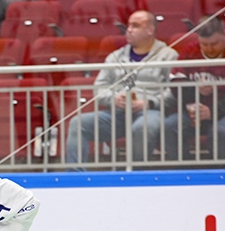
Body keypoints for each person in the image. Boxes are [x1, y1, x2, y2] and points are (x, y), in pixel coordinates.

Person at [65, 11, 177, 171]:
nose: (129, 30)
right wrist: (114, 99)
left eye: (136, 26)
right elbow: (100, 87)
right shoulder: (115, 57)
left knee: (143, 127)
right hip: (117, 114)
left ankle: (136, 176)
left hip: (150, 112)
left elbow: (174, 91)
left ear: (150, 30)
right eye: (128, 25)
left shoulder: (169, 56)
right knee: (78, 123)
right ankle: (75, 176)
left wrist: (149, 103)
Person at [164, 16, 225, 163]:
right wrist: (195, 93)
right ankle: (183, 172)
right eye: (204, 44)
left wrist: (212, 111)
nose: (209, 48)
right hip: (193, 110)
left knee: (219, 132)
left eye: (214, 44)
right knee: (170, 126)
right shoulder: (190, 50)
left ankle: (220, 173)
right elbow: (175, 83)